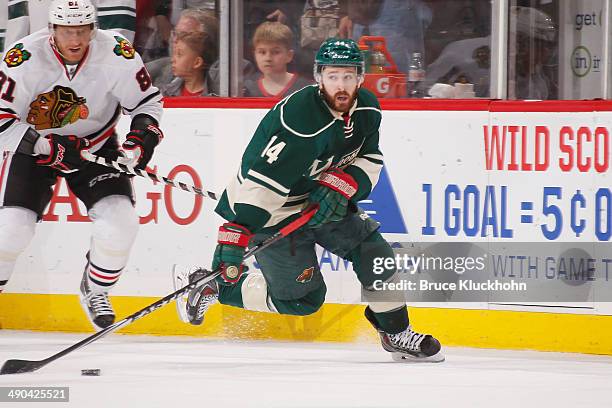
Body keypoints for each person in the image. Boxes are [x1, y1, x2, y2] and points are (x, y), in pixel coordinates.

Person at [174, 38, 444, 362]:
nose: (341, 85)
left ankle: (396, 332)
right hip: (275, 213)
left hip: (321, 205)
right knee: (304, 301)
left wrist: (345, 184)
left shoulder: (368, 109)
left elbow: (369, 157)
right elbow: (261, 183)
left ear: (361, 77)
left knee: (376, 254)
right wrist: (238, 233)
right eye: (333, 76)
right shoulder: (299, 120)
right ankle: (215, 287)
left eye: (348, 76)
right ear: (319, 78)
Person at [0, 0, 163, 330]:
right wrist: (45, 144)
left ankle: (96, 289)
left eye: (81, 31)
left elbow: (147, 103)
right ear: (52, 30)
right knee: (12, 230)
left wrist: (141, 139)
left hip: (94, 147)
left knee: (121, 222)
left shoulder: (117, 53)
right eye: (66, 31)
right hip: (31, 148)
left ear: (93, 29)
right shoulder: (23, 59)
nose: (74, 40)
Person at [6, 0, 136, 46]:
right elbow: (18, 23)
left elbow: (118, 24)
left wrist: (109, 66)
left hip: (92, 71)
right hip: (38, 66)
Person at [244, 22, 312, 97]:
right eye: (262, 52)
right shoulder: (247, 89)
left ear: (289, 55)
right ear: (255, 55)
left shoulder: (306, 89)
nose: (268, 58)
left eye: (275, 52)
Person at [162, 30, 216, 96]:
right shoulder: (167, 93)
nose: (172, 60)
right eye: (174, 53)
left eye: (179, 54)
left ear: (197, 62)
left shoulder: (216, 95)